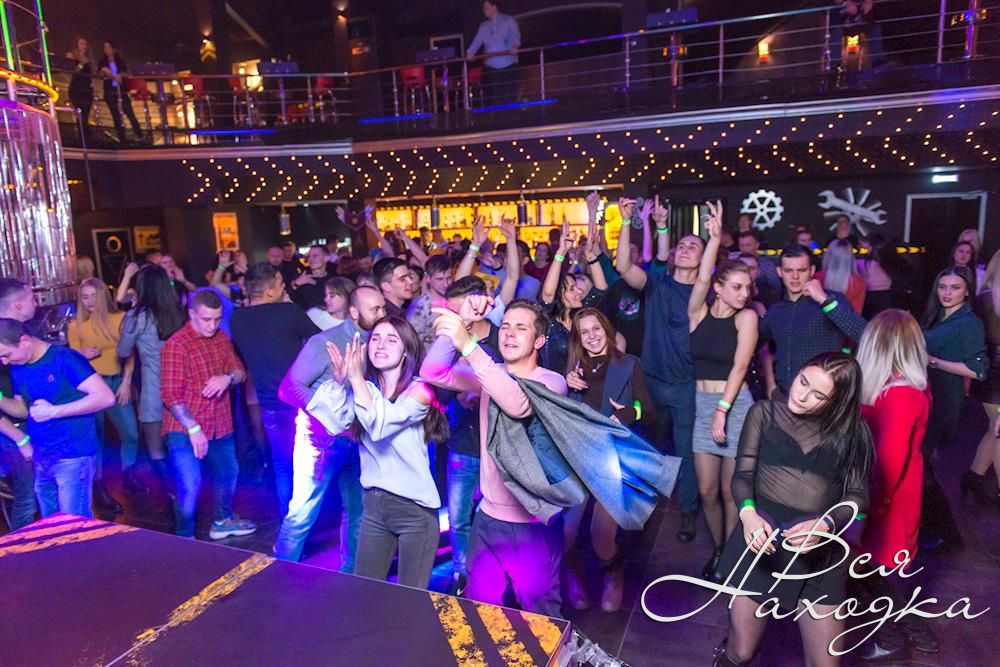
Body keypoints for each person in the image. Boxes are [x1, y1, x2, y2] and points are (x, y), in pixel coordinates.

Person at [713, 353, 872, 667]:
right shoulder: (764, 414)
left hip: (819, 553)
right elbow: (743, 476)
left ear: (837, 402)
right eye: (803, 381)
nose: (802, 395)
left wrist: (826, 524)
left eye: (818, 395)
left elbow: (858, 497)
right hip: (763, 543)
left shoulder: (853, 433)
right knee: (742, 652)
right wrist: (748, 514)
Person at [421, 300, 568, 616]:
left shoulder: (553, 382)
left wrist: (469, 346)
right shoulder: (490, 373)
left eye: (521, 328)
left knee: (540, 615)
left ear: (539, 341)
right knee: (479, 609)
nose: (509, 333)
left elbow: (518, 403)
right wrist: (461, 322)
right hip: (488, 518)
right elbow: (431, 371)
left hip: (532, 524)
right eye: (506, 326)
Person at [308, 317, 449, 588]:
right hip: (374, 507)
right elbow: (334, 423)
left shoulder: (419, 390)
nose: (381, 345)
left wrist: (356, 379)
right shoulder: (368, 389)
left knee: (409, 600)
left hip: (414, 512)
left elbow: (381, 425)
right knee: (366, 592)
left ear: (406, 351)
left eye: (391, 339)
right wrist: (339, 383)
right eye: (375, 338)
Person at [273, 286, 387, 568]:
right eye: (375, 309)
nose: (382, 314)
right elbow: (288, 389)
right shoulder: (325, 342)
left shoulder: (379, 343)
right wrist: (330, 413)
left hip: (358, 441)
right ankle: (278, 572)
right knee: (303, 512)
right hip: (321, 441)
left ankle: (351, 577)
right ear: (354, 312)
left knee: (358, 512)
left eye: (383, 308)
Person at [617, 194, 703, 542]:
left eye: (693, 246)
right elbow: (624, 267)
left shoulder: (706, 294)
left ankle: (688, 512)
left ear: (704, 258)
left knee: (686, 453)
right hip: (652, 380)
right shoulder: (657, 283)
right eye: (682, 245)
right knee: (649, 447)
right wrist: (627, 221)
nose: (685, 249)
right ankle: (642, 510)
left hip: (686, 385)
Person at [854, 310, 939, 660]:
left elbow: (888, 464)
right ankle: (912, 635)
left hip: (888, 497)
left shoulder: (900, 395)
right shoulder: (902, 385)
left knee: (867, 571)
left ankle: (893, 642)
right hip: (894, 493)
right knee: (872, 571)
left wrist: (868, 510)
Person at [562, 307, 655, 612]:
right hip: (579, 457)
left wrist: (631, 412)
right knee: (565, 534)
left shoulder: (628, 364)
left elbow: (649, 410)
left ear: (607, 330)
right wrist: (565, 383)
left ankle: (614, 574)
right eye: (584, 332)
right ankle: (574, 574)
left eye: (596, 329)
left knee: (602, 538)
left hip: (613, 459)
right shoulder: (573, 370)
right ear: (578, 338)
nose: (592, 336)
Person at [688, 202, 759, 584]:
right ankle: (719, 549)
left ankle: (733, 558)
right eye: (736, 286)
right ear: (718, 287)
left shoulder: (747, 317)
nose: (744, 293)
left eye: (748, 287)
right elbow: (701, 278)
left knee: (734, 492)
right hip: (703, 405)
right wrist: (713, 239)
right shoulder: (698, 313)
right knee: (707, 490)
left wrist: (723, 409)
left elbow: (740, 366)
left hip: (735, 406)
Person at [160, 289, 255, 539]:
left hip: (219, 423)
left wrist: (227, 377)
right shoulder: (176, 345)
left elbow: (241, 372)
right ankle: (185, 537)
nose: (212, 325)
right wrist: (193, 429)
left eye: (217, 319)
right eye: (206, 319)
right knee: (190, 485)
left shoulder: (221, 337)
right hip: (184, 429)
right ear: (192, 314)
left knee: (228, 472)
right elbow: (171, 395)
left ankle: (221, 522)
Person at [0, 318, 116, 519]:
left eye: (6, 355)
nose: (4, 362)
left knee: (73, 525)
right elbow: (24, 410)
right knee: (52, 525)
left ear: (25, 341)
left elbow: (105, 397)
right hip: (42, 455)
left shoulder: (65, 359)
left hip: (73, 455)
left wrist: (54, 411)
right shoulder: (18, 366)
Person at [230, 264, 320, 517]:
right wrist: (291, 307)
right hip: (301, 401)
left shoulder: (237, 320)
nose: (284, 287)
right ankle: (312, 520)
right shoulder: (288, 312)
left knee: (283, 464)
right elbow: (322, 341)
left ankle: (289, 521)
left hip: (269, 403)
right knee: (315, 463)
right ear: (270, 291)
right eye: (281, 284)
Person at [919, 266, 987, 552]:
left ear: (967, 291)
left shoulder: (969, 323)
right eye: (943, 286)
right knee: (921, 465)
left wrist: (934, 361)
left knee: (920, 463)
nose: (947, 293)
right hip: (925, 396)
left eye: (955, 287)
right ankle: (938, 529)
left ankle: (943, 531)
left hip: (944, 399)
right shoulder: (937, 316)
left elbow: (978, 370)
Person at [68, 278, 143, 511]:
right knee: (97, 439)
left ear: (103, 296)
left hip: (117, 381)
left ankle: (129, 475)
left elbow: (129, 353)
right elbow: (71, 363)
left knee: (131, 433)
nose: (89, 301)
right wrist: (82, 354)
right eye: (85, 297)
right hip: (92, 387)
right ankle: (99, 488)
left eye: (94, 296)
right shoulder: (76, 326)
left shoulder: (119, 318)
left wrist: (127, 381)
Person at [758, 244, 867, 399]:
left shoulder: (831, 300)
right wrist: (771, 385)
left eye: (801, 270)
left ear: (812, 270)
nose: (795, 276)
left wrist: (823, 300)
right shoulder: (775, 311)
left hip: (824, 396)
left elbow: (864, 335)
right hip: (784, 397)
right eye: (788, 271)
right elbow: (753, 345)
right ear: (779, 272)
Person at [117, 265, 186, 499]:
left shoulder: (137, 317)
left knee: (156, 448)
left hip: (154, 387)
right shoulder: (179, 313)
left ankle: (174, 494)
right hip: (181, 385)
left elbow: (123, 350)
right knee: (182, 442)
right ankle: (187, 489)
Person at [541, 215, 608, 375]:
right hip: (552, 387)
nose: (579, 291)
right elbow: (548, 293)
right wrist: (561, 252)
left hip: (579, 386)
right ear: (559, 295)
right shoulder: (547, 320)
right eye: (572, 289)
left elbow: (601, 289)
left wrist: (590, 255)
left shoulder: (579, 317)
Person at [0, 279, 37, 529]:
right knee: (26, 500)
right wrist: (20, 440)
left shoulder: (23, 333)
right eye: (32, 298)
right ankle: (21, 549)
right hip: (12, 433)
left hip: (27, 425)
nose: (36, 303)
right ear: (17, 304)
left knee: (34, 495)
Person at [966, 250, 1000, 508]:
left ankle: (974, 477)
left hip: (990, 372)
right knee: (998, 431)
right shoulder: (988, 298)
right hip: (995, 373)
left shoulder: (984, 296)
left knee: (994, 429)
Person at [467, 0, 521, 106]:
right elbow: (477, 41)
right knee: (497, 97)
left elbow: (516, 35)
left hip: (509, 64)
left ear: (494, 7)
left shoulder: (508, 20)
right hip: (492, 67)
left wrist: (515, 46)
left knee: (510, 95)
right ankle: (500, 115)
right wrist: (470, 52)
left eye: (486, 8)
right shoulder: (484, 26)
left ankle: (512, 115)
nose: (484, 10)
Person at [96, 40, 144, 143]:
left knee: (129, 112)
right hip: (110, 90)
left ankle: (139, 135)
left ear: (114, 49)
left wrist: (120, 75)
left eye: (109, 47)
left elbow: (126, 73)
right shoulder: (102, 62)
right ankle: (122, 138)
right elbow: (99, 75)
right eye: (105, 48)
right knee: (116, 115)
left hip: (121, 90)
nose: (107, 50)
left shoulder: (120, 61)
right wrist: (104, 71)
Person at [406, 255, 454, 348]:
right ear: (427, 278)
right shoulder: (419, 307)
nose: (445, 284)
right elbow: (414, 345)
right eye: (439, 279)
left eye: (449, 278)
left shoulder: (453, 299)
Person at [815, 239, 865, 314]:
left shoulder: (817, 278)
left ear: (828, 256)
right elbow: (856, 314)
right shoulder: (859, 282)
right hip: (846, 320)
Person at [737, 231, 781, 307]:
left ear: (757, 245)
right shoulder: (733, 261)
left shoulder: (767, 265)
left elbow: (776, 290)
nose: (744, 248)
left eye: (748, 245)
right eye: (742, 245)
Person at [855, 233, 895, 318]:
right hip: (887, 297)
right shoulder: (889, 262)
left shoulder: (863, 264)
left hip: (870, 297)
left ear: (871, 247)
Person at [66, 37, 95, 136]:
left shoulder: (89, 58)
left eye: (85, 44)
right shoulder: (72, 55)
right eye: (81, 44)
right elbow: (73, 70)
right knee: (81, 111)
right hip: (77, 87)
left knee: (87, 112)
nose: (84, 46)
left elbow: (92, 72)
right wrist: (82, 63)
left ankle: (86, 134)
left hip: (87, 88)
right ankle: (82, 135)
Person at [289, 245, 332, 310]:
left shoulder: (333, 279)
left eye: (315, 256)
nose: (310, 259)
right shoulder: (300, 277)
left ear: (326, 258)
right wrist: (296, 284)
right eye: (309, 256)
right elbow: (287, 300)